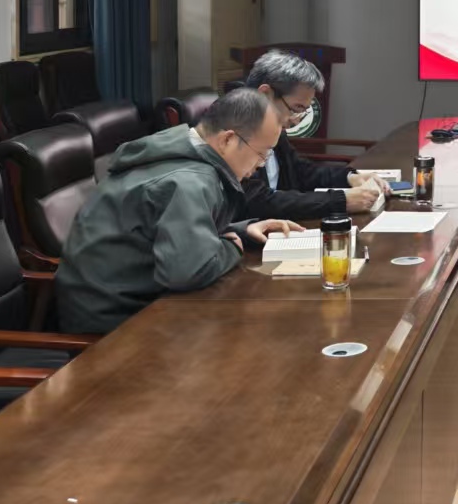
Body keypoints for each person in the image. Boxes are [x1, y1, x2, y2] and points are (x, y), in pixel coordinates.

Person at [56, 88, 300, 334]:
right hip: (112, 322)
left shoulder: (181, 149)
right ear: (228, 140)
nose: (261, 166)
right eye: (261, 154)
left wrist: (242, 230)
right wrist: (231, 247)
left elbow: (171, 234)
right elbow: (188, 272)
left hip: (130, 300)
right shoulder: (189, 181)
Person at [240, 50, 383, 221]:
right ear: (265, 95)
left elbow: (302, 172)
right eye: (296, 108)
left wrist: (350, 177)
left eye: (304, 111)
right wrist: (340, 201)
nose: (297, 119)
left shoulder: (273, 127)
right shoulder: (234, 130)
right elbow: (257, 201)